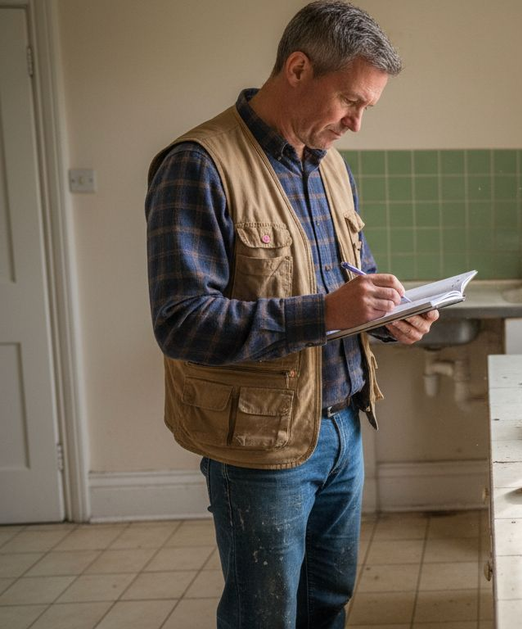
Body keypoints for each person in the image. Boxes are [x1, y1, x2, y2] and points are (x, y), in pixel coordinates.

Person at [144, 2, 437, 627]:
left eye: (367, 109)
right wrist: (325, 313)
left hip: (344, 430)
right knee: (264, 615)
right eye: (350, 102)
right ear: (298, 69)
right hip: (260, 447)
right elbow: (181, 322)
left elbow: (350, 280)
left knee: (327, 603)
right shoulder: (197, 164)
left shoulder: (330, 164)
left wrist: (388, 316)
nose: (357, 124)